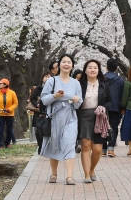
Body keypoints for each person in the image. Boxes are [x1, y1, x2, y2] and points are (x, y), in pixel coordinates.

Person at [40, 54, 82, 185]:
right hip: (55, 117)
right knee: (55, 144)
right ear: (59, 65)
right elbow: (44, 99)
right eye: (64, 62)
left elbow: (79, 103)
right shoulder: (51, 81)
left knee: (69, 144)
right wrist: (55, 96)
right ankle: (54, 173)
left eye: (69, 62)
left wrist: (76, 100)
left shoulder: (76, 83)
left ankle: (69, 176)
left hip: (70, 117)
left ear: (72, 66)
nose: (66, 64)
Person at [77, 59, 112, 183]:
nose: (92, 70)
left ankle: (92, 169)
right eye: (90, 67)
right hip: (84, 117)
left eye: (95, 68)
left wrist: (104, 107)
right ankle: (87, 175)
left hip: (99, 117)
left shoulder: (104, 84)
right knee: (86, 147)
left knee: (97, 149)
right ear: (85, 70)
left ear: (99, 70)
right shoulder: (79, 85)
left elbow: (110, 102)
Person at [103, 58, 125, 157]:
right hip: (116, 107)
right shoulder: (120, 80)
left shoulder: (101, 79)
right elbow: (122, 95)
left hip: (103, 107)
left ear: (106, 67)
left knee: (102, 127)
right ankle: (111, 149)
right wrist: (123, 107)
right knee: (114, 127)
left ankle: (103, 149)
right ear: (116, 68)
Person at [0, 78, 18, 149]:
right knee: (0, 130)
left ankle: (7, 143)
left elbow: (15, 103)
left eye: (0, 83)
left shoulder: (12, 93)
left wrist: (9, 109)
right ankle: (0, 145)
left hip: (10, 114)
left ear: (5, 85)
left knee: (9, 130)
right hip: (1, 114)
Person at [30, 72, 51, 153]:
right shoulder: (38, 88)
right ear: (42, 78)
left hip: (49, 112)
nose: (48, 78)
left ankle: (48, 147)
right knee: (38, 130)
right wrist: (37, 104)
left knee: (47, 129)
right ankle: (40, 146)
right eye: (46, 76)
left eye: (49, 76)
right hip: (39, 112)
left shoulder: (54, 87)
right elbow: (32, 98)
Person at [72, 68, 83, 153]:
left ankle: (79, 142)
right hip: (72, 107)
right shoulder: (71, 83)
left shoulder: (83, 83)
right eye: (77, 75)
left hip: (81, 107)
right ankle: (75, 143)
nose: (79, 77)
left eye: (80, 75)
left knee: (79, 125)